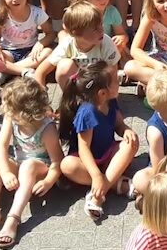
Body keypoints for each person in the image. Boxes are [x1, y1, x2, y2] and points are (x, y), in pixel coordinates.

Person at [0, 78, 64, 245]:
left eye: (10, 109)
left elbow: (57, 161)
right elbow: (1, 147)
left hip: (40, 169)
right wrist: (5, 173)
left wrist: (48, 181)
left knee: (28, 166)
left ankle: (13, 218)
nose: (6, 111)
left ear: (25, 113)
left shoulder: (47, 128)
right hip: (20, 164)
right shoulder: (11, 118)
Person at [59, 61, 139, 221]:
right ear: (102, 93)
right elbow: (84, 149)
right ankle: (115, 185)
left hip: (107, 154)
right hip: (86, 163)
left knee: (131, 142)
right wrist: (96, 175)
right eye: (116, 81)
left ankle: (99, 192)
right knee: (67, 165)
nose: (119, 82)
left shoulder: (111, 101)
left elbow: (119, 125)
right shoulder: (87, 112)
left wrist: (126, 130)